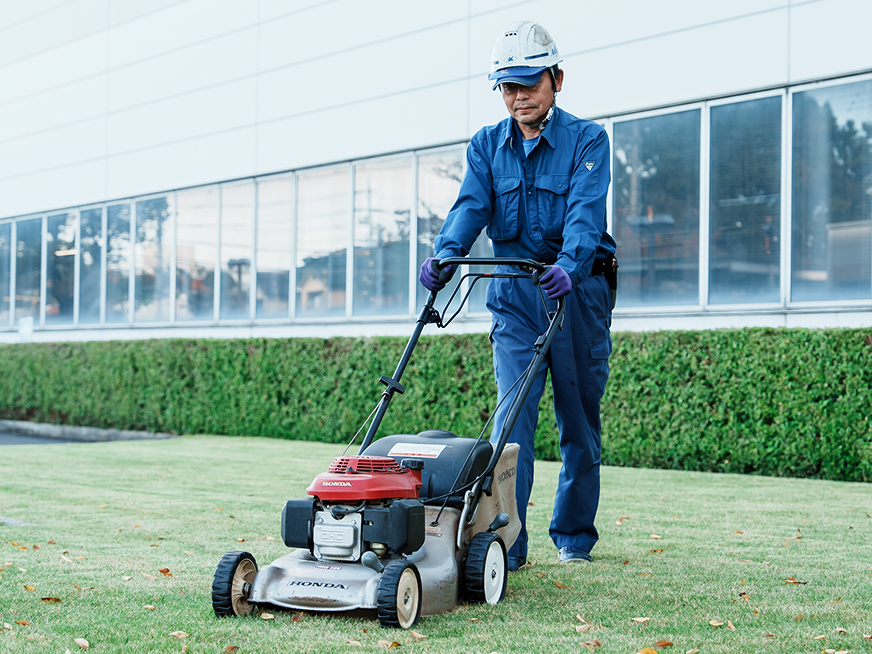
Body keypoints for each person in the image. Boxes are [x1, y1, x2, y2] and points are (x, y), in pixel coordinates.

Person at [419, 21, 616, 571]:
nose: (518, 96)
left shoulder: (587, 140)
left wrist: (569, 268)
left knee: (578, 421)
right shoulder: (486, 145)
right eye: (508, 86)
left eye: (529, 82)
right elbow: (470, 208)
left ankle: (574, 536)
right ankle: (510, 544)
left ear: (556, 78)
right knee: (512, 423)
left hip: (576, 293)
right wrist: (445, 256)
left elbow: (584, 215)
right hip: (515, 298)